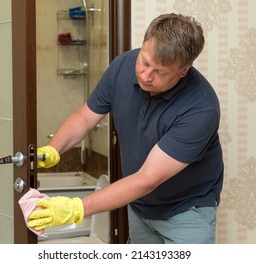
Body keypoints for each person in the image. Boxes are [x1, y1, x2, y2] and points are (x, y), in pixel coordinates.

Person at [27, 13, 224, 244]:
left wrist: (76, 208)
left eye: (160, 72)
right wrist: (54, 149)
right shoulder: (122, 66)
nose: (146, 75)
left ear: (183, 71)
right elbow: (84, 118)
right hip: (140, 207)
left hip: (186, 212)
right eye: (145, 61)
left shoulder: (201, 108)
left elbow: (147, 178)